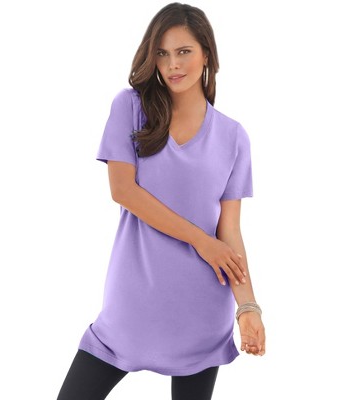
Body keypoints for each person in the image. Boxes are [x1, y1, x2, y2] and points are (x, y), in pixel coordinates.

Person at [56, 3, 265, 399]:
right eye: (162, 53)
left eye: (184, 51)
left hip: (202, 312)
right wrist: (201, 240)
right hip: (131, 306)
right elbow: (123, 191)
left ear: (207, 54)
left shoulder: (233, 137)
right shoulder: (131, 108)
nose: (172, 64)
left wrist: (248, 308)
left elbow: (230, 232)